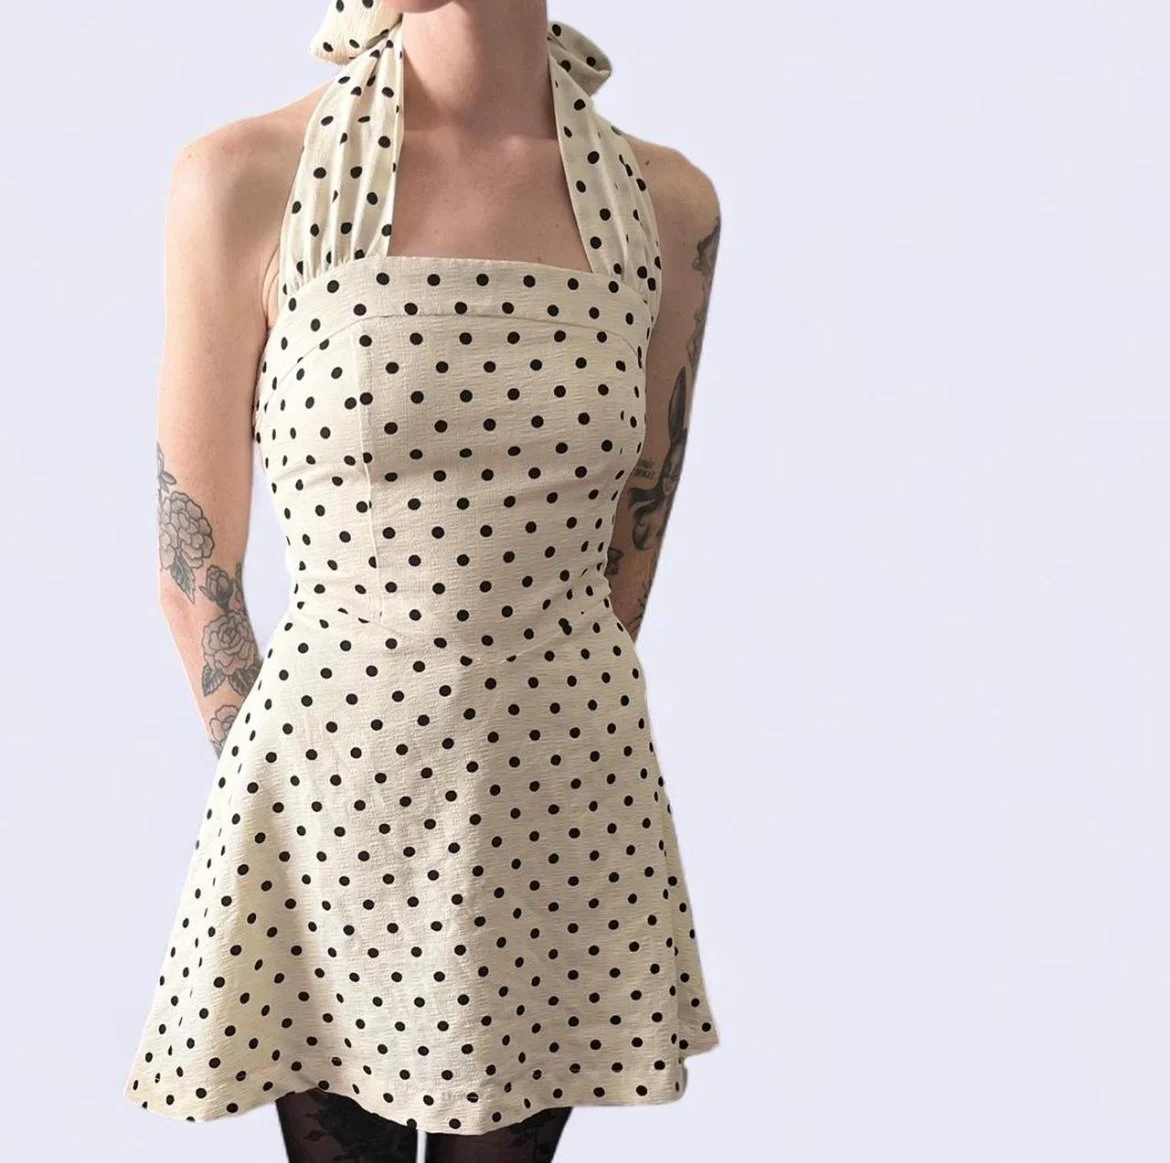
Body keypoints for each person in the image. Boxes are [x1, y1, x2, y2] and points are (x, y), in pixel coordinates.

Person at [125, 3, 723, 1159]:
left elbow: (633, 534)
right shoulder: (242, 178)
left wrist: (531, 726)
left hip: (562, 785)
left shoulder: (669, 203)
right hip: (325, 791)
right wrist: (294, 813)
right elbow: (195, 567)